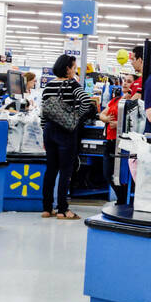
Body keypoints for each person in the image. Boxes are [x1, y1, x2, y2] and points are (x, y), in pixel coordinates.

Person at [40, 54, 96, 220]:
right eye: (73, 67)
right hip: (66, 132)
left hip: (49, 131)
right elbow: (86, 100)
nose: (75, 70)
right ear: (67, 69)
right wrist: (76, 115)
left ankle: (46, 208)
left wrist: (45, 133)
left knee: (50, 170)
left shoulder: (49, 85)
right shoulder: (72, 84)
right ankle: (63, 210)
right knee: (66, 170)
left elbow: (44, 112)